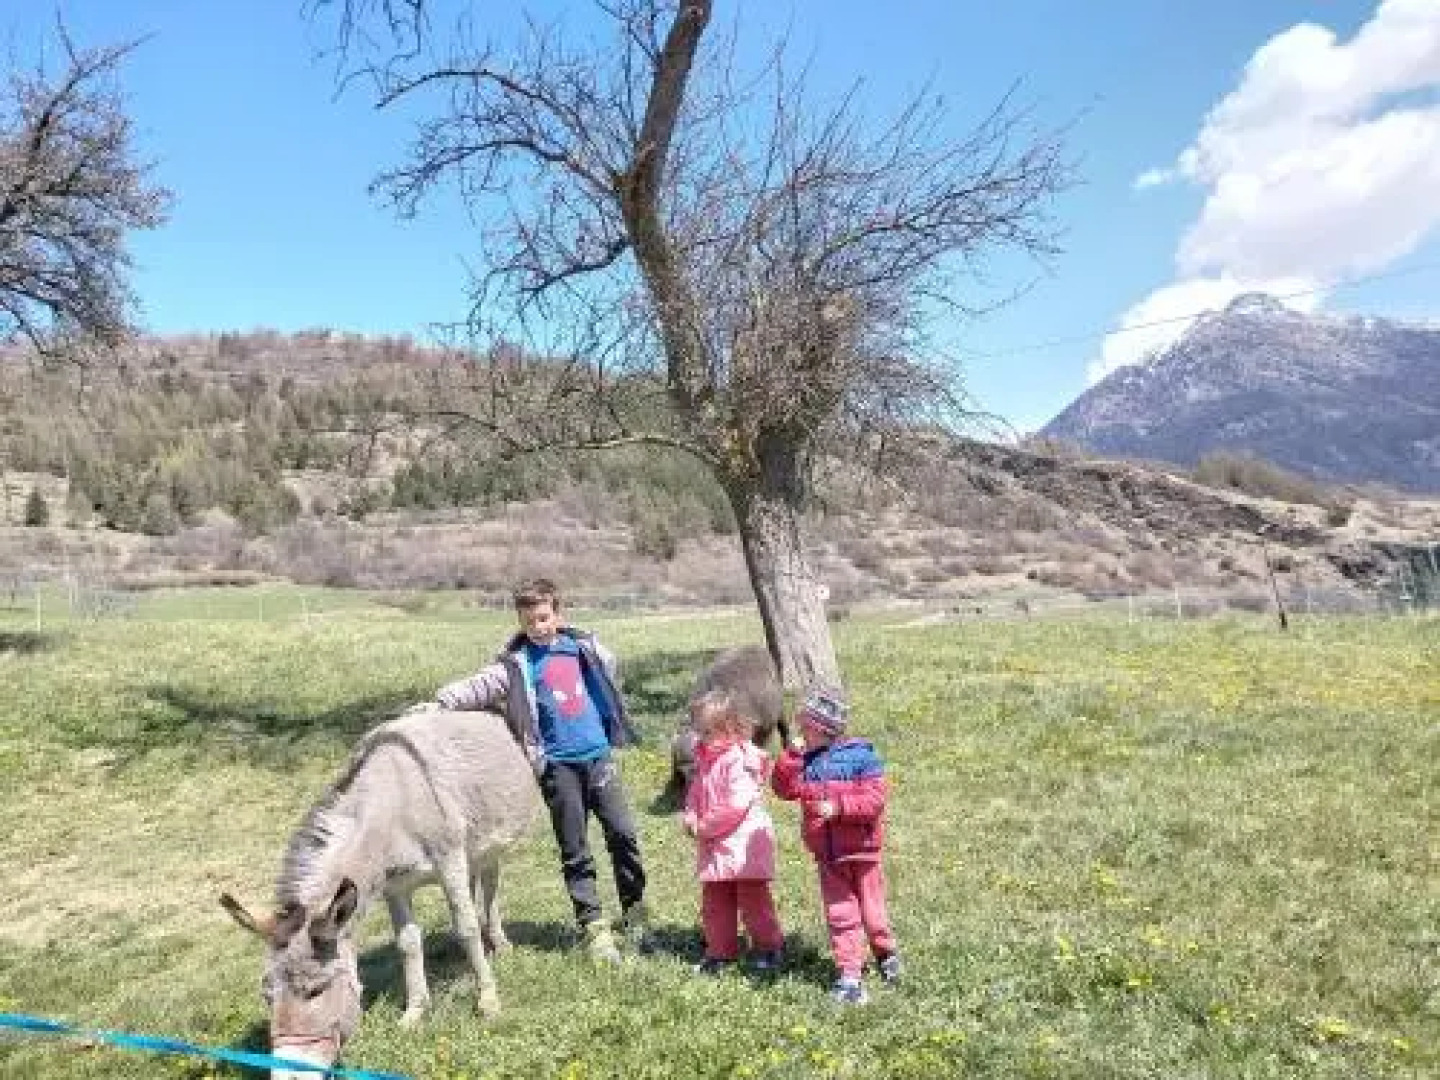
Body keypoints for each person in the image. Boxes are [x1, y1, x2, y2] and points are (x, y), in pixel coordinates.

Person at [434, 578, 646, 962]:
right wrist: (442, 700)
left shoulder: (580, 648)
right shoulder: (517, 665)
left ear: (558, 614)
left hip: (599, 758)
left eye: (545, 618)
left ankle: (635, 913)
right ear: (520, 620)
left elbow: (608, 669)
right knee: (575, 848)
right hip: (558, 767)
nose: (538, 627)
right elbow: (480, 686)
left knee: (623, 834)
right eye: (529, 621)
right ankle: (593, 926)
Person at [771, 688, 900, 1004]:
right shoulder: (807, 762)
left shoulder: (863, 757)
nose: (801, 732)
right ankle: (850, 975)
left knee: (873, 912)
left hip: (863, 851)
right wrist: (790, 756)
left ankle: (886, 953)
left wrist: (839, 807)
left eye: (806, 727)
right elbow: (782, 789)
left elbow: (875, 800)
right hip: (829, 856)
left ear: (823, 728)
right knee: (841, 914)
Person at [682, 688, 785, 975]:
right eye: (698, 731)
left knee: (754, 901)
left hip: (742, 847)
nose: (700, 738)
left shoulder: (740, 760)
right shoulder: (706, 758)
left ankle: (769, 946)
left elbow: (735, 804)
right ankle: (720, 952)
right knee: (715, 902)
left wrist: (704, 827)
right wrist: (690, 814)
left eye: (706, 732)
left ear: (729, 728)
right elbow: (695, 792)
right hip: (717, 845)